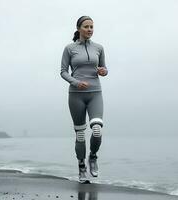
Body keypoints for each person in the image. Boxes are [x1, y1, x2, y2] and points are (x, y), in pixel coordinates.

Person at [60, 16, 108, 183]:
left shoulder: (99, 48)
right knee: (80, 135)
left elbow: (104, 68)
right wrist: (76, 82)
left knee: (97, 130)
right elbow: (63, 71)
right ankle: (81, 166)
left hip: (95, 93)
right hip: (76, 95)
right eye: (86, 27)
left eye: (92, 27)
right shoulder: (69, 48)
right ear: (79, 28)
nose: (89, 29)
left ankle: (92, 157)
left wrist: (103, 71)